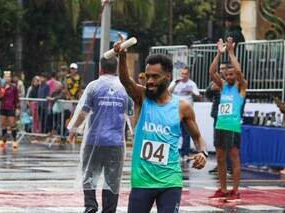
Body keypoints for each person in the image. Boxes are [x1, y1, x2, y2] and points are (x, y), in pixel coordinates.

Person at [115, 42, 207, 212]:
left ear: (168, 77)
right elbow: (125, 80)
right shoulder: (141, 97)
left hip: (170, 181)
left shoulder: (183, 107)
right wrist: (121, 56)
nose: (150, 81)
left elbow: (198, 137)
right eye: (147, 76)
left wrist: (202, 152)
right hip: (142, 181)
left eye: (155, 77)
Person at [67, 57, 128, 213]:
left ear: (100, 69)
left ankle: (91, 206)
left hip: (94, 140)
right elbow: (132, 115)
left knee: (89, 174)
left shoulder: (94, 87)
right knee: (112, 179)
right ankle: (108, 210)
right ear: (116, 68)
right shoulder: (124, 88)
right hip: (116, 142)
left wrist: (73, 130)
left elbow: (83, 112)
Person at [208, 37, 247, 202]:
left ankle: (235, 190)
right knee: (220, 158)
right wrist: (218, 53)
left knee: (234, 157)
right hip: (220, 125)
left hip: (233, 127)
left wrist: (231, 53)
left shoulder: (241, 86)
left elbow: (238, 72)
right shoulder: (223, 86)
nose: (230, 76)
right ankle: (223, 189)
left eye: (232, 74)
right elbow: (211, 72)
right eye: (227, 74)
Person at [169, 67, 202, 160]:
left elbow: (199, 97)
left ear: (188, 74)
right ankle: (172, 153)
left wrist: (192, 92)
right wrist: (175, 83)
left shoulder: (192, 84)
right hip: (174, 111)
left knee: (187, 134)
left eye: (185, 74)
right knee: (172, 132)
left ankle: (185, 154)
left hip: (187, 113)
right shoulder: (175, 82)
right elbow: (168, 92)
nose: (183, 76)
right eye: (182, 73)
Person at [0, 71, 19, 149]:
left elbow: (16, 98)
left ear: (10, 78)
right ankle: (3, 140)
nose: (7, 78)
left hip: (11, 107)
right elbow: (0, 98)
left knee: (12, 124)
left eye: (8, 77)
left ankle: (14, 140)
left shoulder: (13, 87)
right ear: (4, 78)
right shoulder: (2, 87)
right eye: (5, 77)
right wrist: (0, 94)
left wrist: (17, 108)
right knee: (3, 124)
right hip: (3, 107)